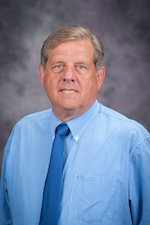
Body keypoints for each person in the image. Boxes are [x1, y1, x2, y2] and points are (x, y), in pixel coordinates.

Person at [0, 25, 150, 225]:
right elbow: (6, 216)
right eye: (58, 66)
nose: (68, 76)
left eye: (80, 66)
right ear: (42, 74)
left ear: (99, 77)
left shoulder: (133, 141)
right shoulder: (21, 134)